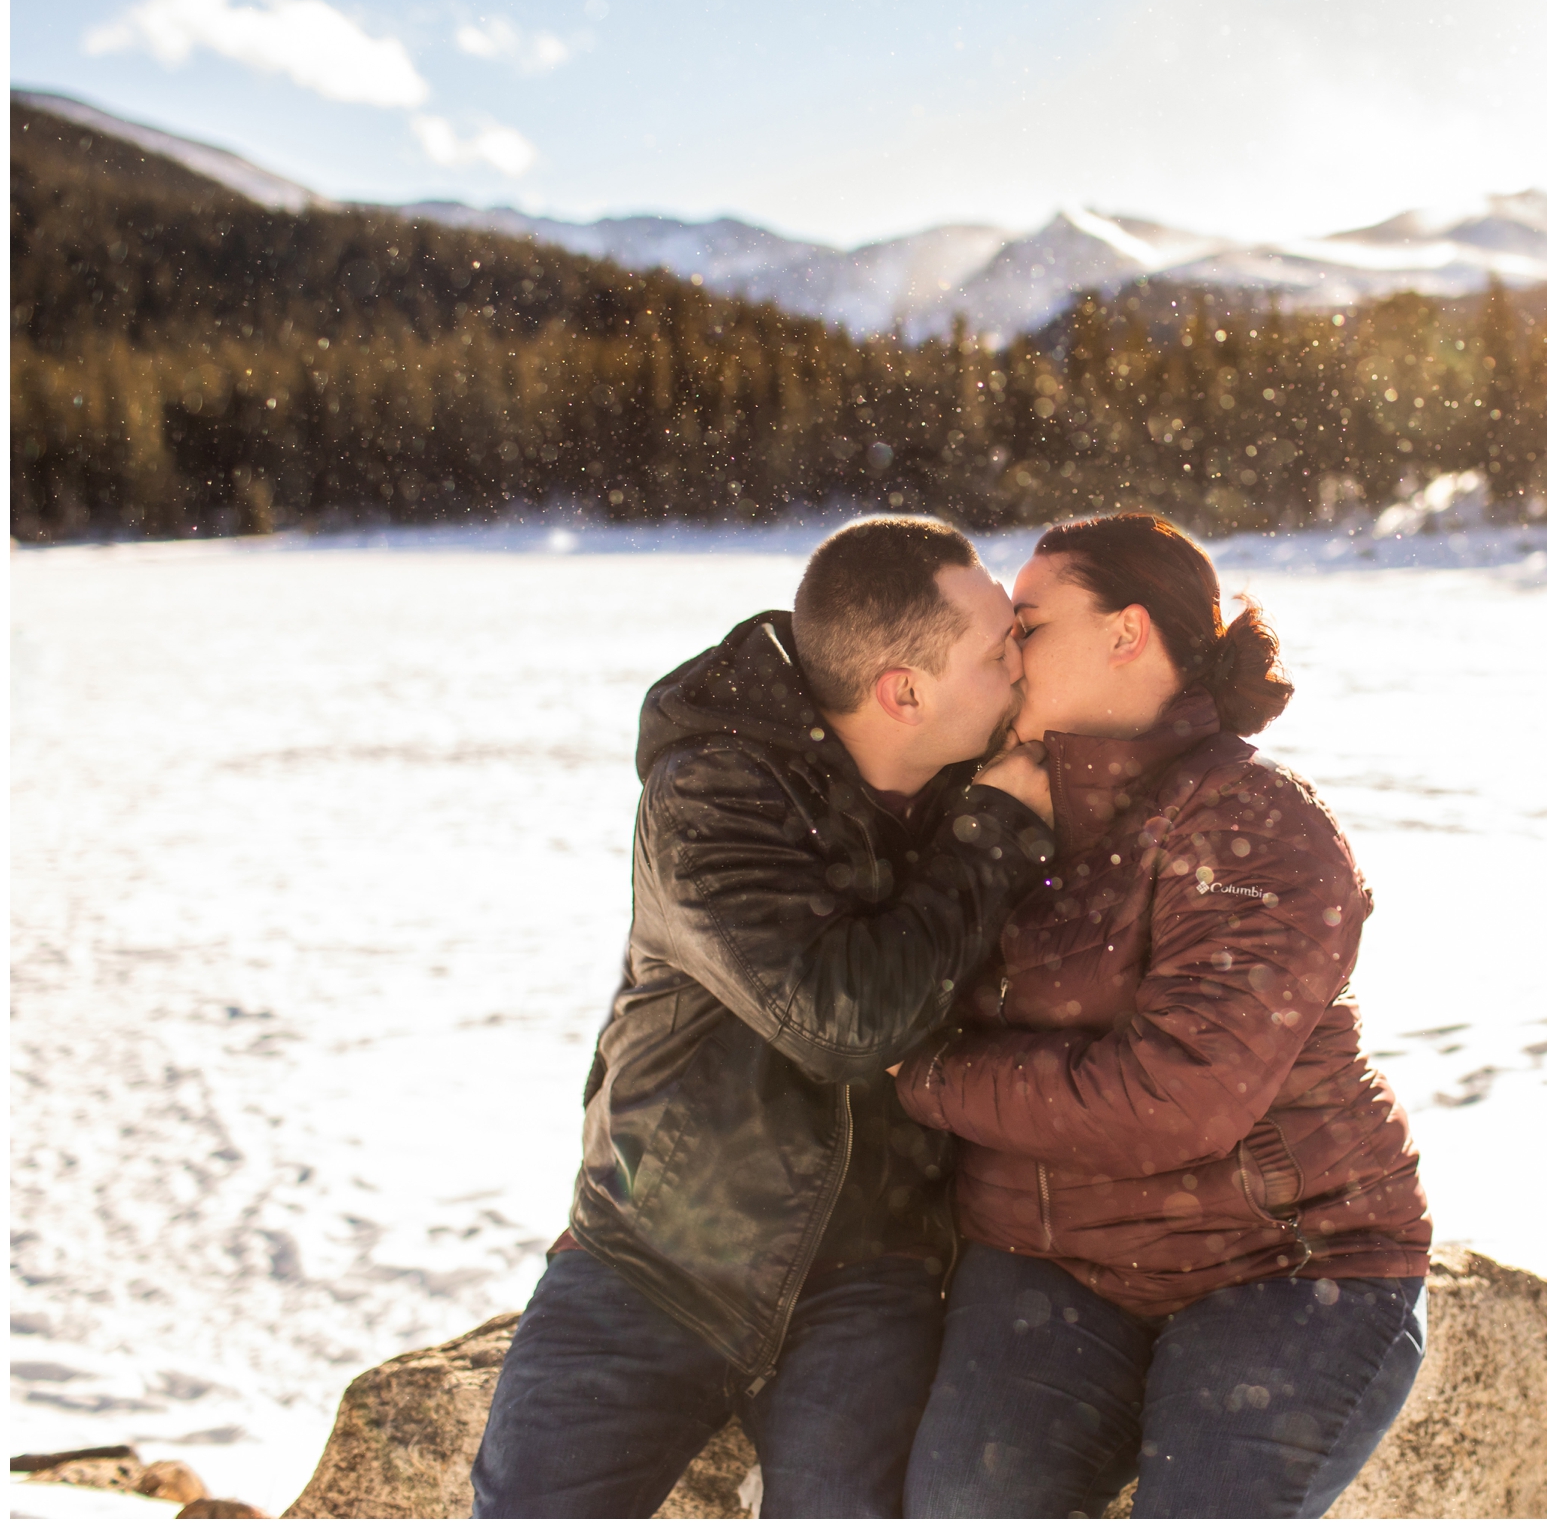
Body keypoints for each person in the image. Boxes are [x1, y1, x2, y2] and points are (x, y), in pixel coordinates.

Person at [471, 516, 1057, 1518]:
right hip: (658, 1251)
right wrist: (995, 835)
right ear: (902, 691)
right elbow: (843, 1021)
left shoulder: (976, 767)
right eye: (1003, 647)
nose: (1024, 665)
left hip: (876, 1268)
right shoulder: (716, 788)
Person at [894, 512, 1432, 1519]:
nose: (1003, 652)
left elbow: (1173, 1097)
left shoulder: (1252, 820)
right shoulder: (999, 802)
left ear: (1126, 632)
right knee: (966, 1503)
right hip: (1051, 1261)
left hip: (1284, 1261)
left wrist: (923, 1076)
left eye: (1028, 623)